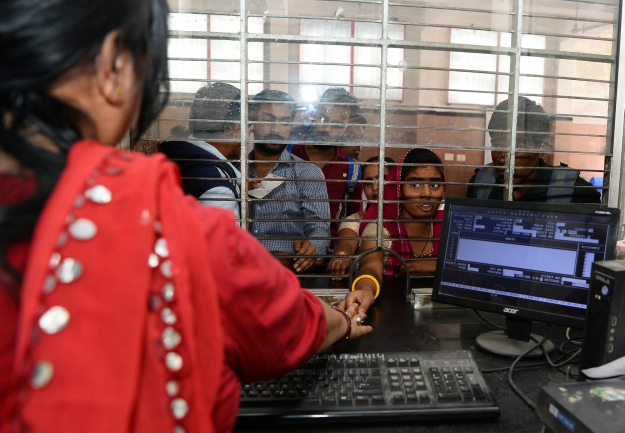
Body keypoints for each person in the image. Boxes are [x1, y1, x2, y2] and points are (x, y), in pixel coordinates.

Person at [0, 1, 372, 432]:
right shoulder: (183, 235)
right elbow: (285, 322)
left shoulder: (305, 173)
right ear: (114, 65)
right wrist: (342, 321)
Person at [339, 149, 446, 315]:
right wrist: (366, 289)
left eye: (434, 185)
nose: (426, 194)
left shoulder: (448, 224)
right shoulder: (381, 228)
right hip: (389, 315)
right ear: (398, 188)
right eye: (415, 184)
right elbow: (371, 266)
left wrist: (435, 266)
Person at [248, 90, 331, 273]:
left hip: (290, 274)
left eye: (284, 122)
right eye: (268, 120)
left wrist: (311, 247)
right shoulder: (235, 170)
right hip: (240, 272)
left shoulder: (307, 173)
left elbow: (319, 228)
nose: (276, 129)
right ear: (252, 122)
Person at [466, 97, 601, 204]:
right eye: (496, 146)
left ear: (540, 149)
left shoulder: (575, 193)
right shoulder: (480, 184)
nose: (502, 158)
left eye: (517, 147)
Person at [289, 88, 364, 239]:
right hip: (281, 252)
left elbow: (351, 222)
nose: (326, 129)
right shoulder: (286, 153)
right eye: (323, 119)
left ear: (346, 128)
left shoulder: (351, 171)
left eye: (336, 125)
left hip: (326, 257)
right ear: (315, 115)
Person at [161, 82, 243, 220]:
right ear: (231, 129)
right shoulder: (219, 190)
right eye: (245, 128)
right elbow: (217, 241)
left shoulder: (177, 153)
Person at [326, 156, 394, 278]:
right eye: (368, 182)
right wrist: (342, 256)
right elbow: (346, 243)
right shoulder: (355, 221)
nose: (375, 187)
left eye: (382, 180)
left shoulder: (409, 220)